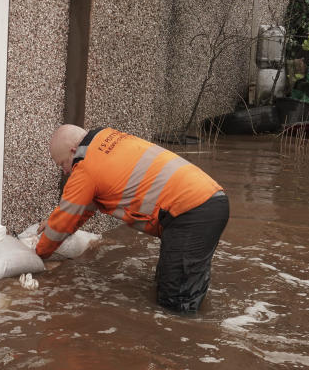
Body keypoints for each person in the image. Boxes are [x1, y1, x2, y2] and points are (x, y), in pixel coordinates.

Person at [35, 124, 229, 313]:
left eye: (62, 164)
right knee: (173, 283)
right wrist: (54, 223)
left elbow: (64, 220)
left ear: (72, 150)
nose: (65, 171)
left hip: (192, 212)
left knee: (175, 304)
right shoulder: (106, 140)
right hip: (207, 201)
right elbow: (81, 210)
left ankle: (184, 340)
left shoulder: (85, 167)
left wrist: (38, 255)